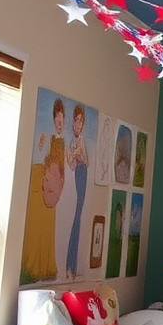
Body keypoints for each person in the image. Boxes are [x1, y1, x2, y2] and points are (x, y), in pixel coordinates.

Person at [20, 97, 66, 283]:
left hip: (52, 186)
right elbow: (40, 156)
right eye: (57, 121)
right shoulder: (47, 138)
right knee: (35, 227)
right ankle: (31, 265)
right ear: (54, 120)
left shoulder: (61, 142)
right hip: (41, 180)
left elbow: (62, 166)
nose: (60, 124)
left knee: (47, 228)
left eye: (62, 121)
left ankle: (44, 267)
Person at [65, 103, 89, 279]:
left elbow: (86, 162)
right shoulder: (70, 142)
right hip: (75, 178)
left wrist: (81, 154)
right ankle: (68, 264)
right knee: (73, 219)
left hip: (83, 177)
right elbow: (71, 164)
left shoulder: (83, 141)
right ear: (73, 122)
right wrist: (75, 155)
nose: (78, 124)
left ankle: (73, 265)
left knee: (79, 219)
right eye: (76, 120)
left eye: (81, 121)